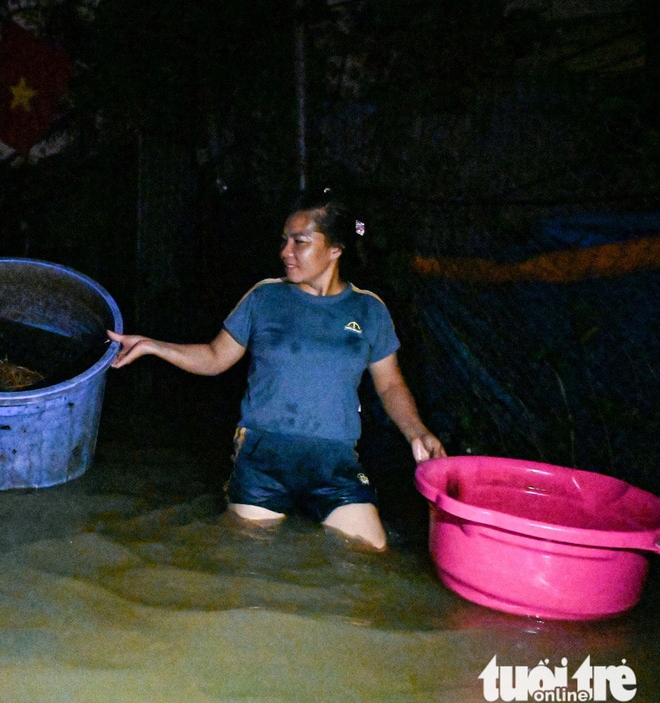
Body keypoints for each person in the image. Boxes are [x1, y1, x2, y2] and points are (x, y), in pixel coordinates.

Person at [107, 190, 445, 550]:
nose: (285, 252)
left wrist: (416, 432)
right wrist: (153, 346)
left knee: (370, 553)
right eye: (284, 241)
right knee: (248, 558)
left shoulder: (369, 310)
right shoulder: (264, 297)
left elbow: (391, 385)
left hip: (334, 460)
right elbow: (214, 356)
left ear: (335, 249)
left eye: (299, 242)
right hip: (263, 455)